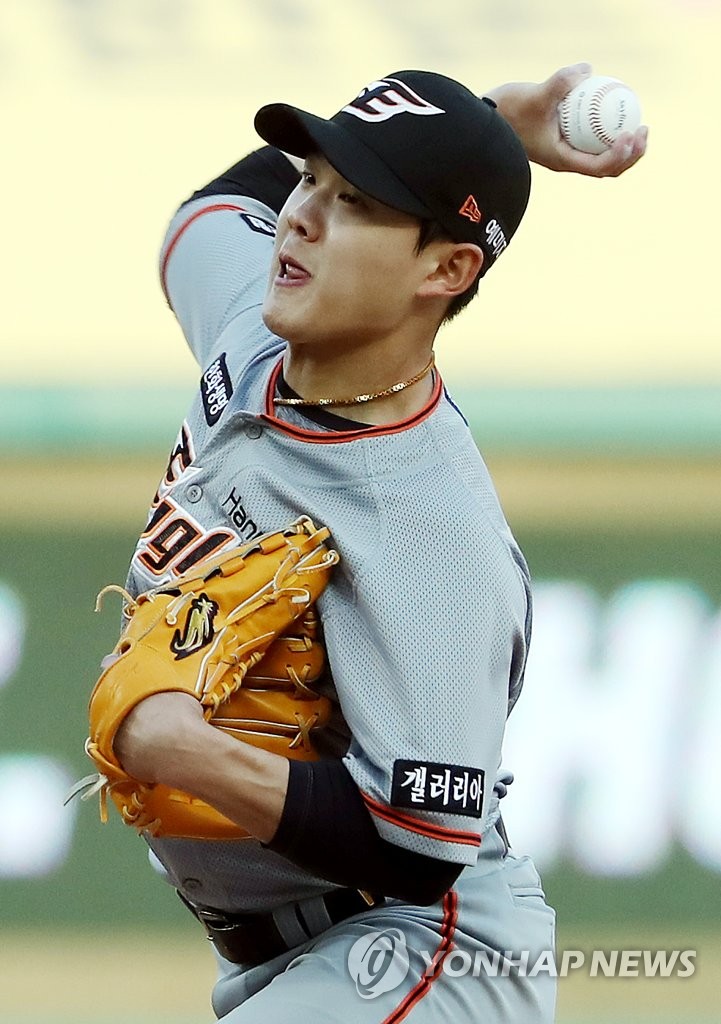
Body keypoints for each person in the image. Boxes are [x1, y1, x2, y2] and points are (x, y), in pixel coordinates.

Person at [113, 64, 647, 1023]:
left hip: (422, 950)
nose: (301, 215)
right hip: (284, 958)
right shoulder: (250, 328)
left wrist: (188, 752)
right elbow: (211, 211)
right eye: (311, 177)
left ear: (445, 270)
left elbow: (419, 844)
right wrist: (488, 122)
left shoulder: (431, 529)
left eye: (354, 202)